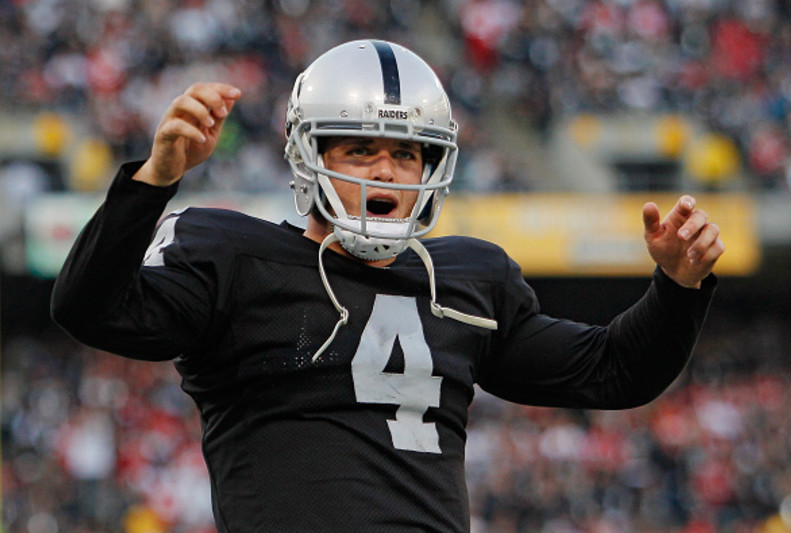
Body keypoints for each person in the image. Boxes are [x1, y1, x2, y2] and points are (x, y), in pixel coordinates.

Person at [51, 40, 724, 532]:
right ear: (310, 156)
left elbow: (613, 371)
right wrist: (154, 180)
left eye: (406, 153)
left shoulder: (466, 277)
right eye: (360, 149)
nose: (388, 171)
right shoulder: (237, 257)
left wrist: (677, 287)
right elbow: (89, 308)